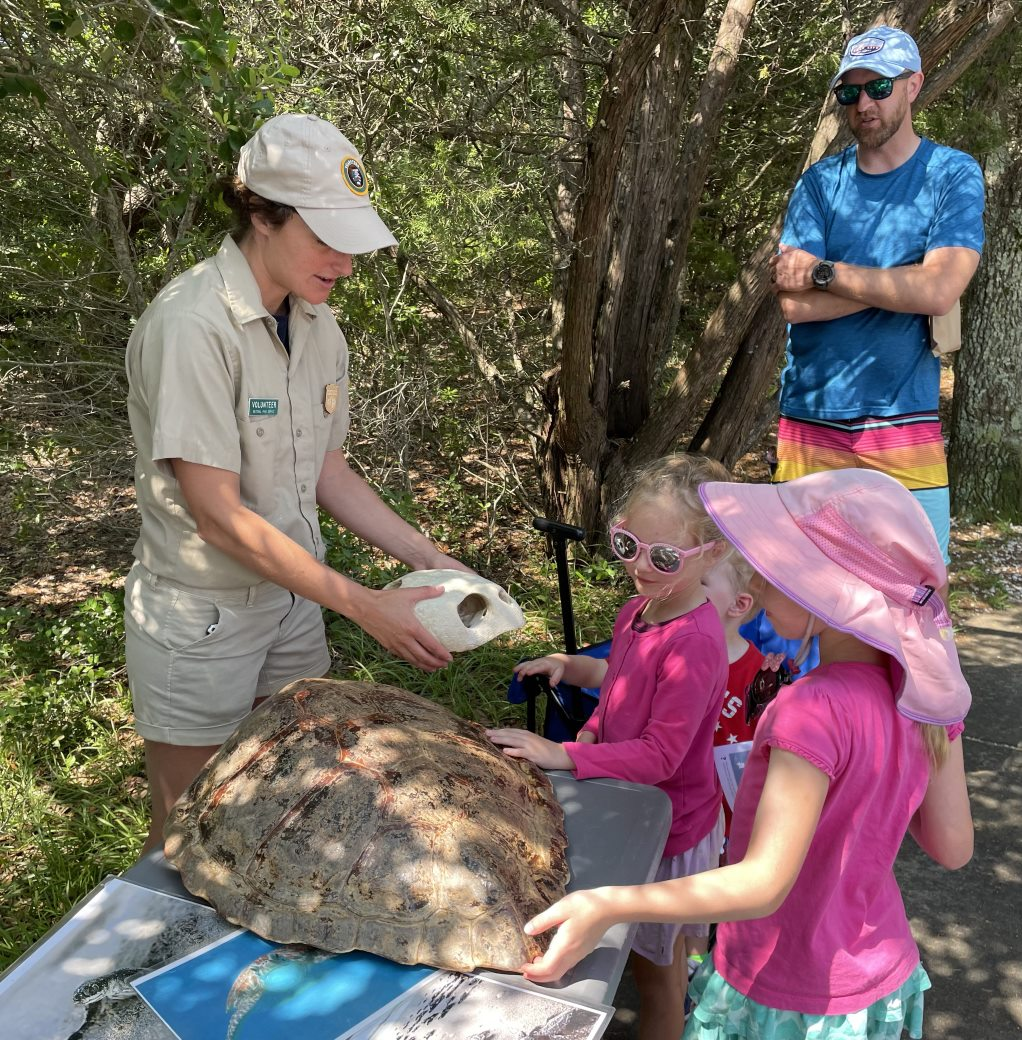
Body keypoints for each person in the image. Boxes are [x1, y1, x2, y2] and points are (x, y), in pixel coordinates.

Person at [512, 468, 974, 1040]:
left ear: (824, 589)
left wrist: (608, 905)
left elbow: (762, 884)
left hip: (783, 986)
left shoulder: (813, 708)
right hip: (879, 979)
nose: (761, 581)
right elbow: (952, 848)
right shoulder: (929, 701)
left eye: (777, 569)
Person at [124, 113, 470, 854]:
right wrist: (364, 604)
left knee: (290, 798)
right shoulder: (192, 326)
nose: (345, 264)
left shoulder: (317, 324)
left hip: (291, 598)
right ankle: (155, 959)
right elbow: (216, 516)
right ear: (260, 214)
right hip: (203, 614)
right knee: (185, 828)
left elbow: (326, 470)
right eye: (326, 239)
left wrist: (431, 557)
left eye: (353, 243)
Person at [487, 453, 731, 1040]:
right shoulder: (637, 610)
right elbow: (621, 688)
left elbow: (660, 755)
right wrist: (580, 692)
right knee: (643, 963)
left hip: (669, 830)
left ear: (713, 554)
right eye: (628, 545)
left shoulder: (695, 642)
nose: (641, 567)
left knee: (657, 975)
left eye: (664, 557)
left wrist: (564, 754)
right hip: (628, 807)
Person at [769, 26, 985, 564]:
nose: (863, 103)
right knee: (804, 609)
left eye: (879, 88)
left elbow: (938, 292)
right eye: (850, 92)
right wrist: (902, 281)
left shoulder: (951, 174)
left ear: (913, 85)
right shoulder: (819, 183)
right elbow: (793, 304)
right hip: (809, 424)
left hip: (903, 426)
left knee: (916, 611)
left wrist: (823, 272)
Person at [701, 553, 767, 844]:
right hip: (671, 804)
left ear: (738, 604)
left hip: (729, 820)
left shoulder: (761, 677)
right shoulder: (671, 654)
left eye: (700, 582)